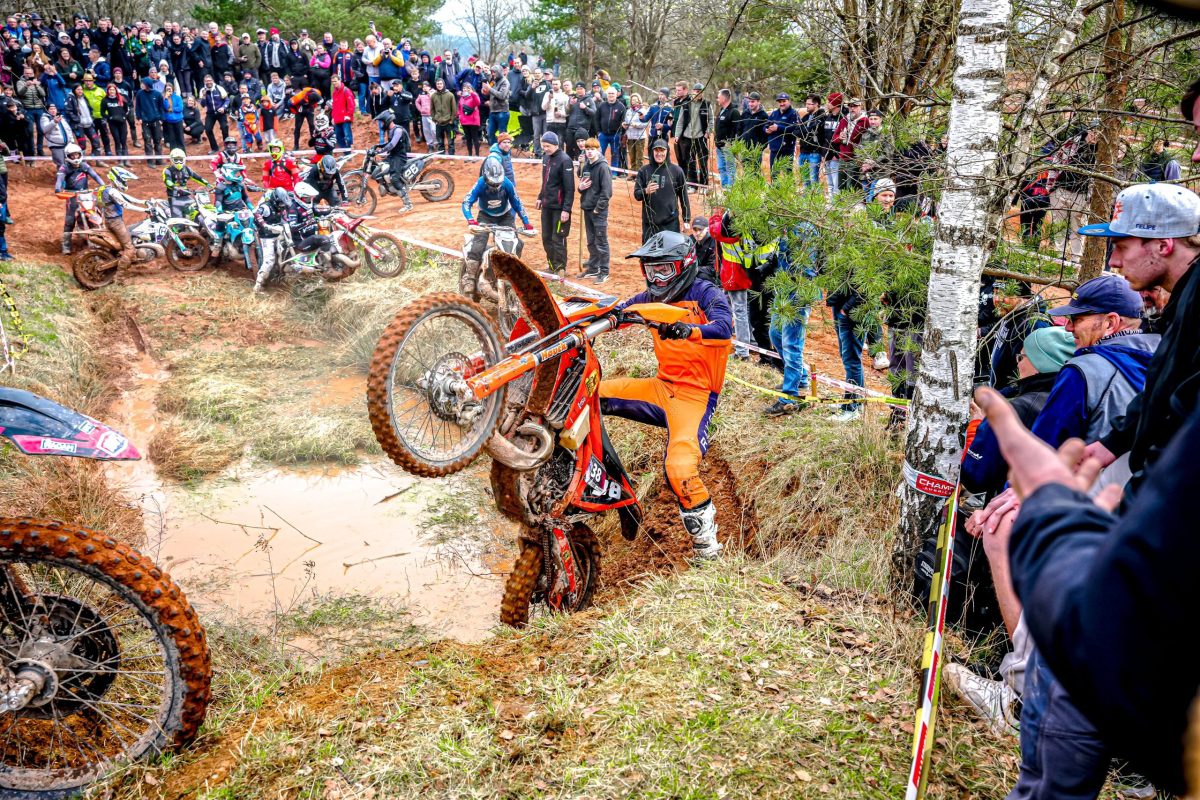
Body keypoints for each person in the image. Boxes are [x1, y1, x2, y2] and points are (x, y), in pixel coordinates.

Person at [944, 326, 1076, 735]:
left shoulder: (1015, 406)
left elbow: (975, 472)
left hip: (1009, 518)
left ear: (1036, 362)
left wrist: (976, 429)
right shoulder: (1073, 400)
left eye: (1023, 356)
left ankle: (1008, 671)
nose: (1018, 362)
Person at [599, 230, 734, 559]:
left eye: (664, 269)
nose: (657, 278)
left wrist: (691, 330)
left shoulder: (706, 292)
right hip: (661, 388)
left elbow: (724, 328)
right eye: (651, 270)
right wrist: (601, 318)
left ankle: (708, 549)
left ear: (684, 265)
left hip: (694, 397)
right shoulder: (649, 297)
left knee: (679, 468)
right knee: (589, 393)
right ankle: (582, 473)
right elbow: (621, 312)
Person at [1077, 179, 1200, 505]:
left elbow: (1186, 420)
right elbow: (1163, 389)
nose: (1113, 262)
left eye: (1121, 247)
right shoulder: (1184, 298)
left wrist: (1138, 505)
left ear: (1163, 245)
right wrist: (1110, 443)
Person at [1029, 274, 1159, 450]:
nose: (1068, 327)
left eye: (1076, 319)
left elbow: (1044, 447)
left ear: (1110, 323)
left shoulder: (1082, 371)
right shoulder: (1167, 361)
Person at [763, 223, 822, 416]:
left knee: (792, 345)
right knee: (775, 334)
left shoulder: (804, 229)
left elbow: (807, 269)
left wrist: (795, 289)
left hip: (798, 292)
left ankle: (789, 398)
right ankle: (801, 378)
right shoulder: (784, 224)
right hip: (783, 289)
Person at [461, 156, 534, 299]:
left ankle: (512, 274)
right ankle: (470, 278)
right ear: (485, 177)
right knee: (478, 244)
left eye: (498, 183)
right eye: (492, 183)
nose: (495, 186)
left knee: (516, 244)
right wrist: (470, 219)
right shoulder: (480, 183)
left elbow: (517, 203)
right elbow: (466, 202)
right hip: (485, 216)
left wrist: (526, 222)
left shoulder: (507, 184)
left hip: (505, 216)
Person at [633, 140, 689, 242]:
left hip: (670, 224)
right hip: (650, 224)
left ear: (667, 151)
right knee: (649, 252)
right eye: (656, 150)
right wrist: (646, 191)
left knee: (670, 251)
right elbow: (637, 194)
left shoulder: (677, 171)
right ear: (652, 152)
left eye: (662, 150)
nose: (659, 154)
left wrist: (686, 219)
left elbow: (684, 197)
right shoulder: (644, 171)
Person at [96, 165, 148, 270]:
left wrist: (143, 202)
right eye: (123, 181)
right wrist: (145, 210)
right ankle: (119, 275)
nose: (125, 183)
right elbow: (125, 204)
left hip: (110, 220)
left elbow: (126, 197)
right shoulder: (112, 191)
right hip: (116, 222)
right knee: (130, 249)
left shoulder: (106, 189)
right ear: (116, 179)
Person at [54, 142, 103, 254]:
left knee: (93, 215)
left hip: (86, 194)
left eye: (77, 155)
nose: (75, 157)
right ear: (68, 156)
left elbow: (95, 175)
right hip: (72, 196)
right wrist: (57, 189)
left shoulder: (84, 165)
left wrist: (103, 185)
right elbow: (59, 179)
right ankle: (66, 245)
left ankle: (97, 239)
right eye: (72, 156)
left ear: (80, 154)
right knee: (70, 220)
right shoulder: (64, 167)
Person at [536, 131, 573, 274]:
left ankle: (560, 268)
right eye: (543, 146)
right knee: (546, 237)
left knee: (558, 238)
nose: (545, 149)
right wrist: (540, 197)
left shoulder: (565, 160)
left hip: (559, 207)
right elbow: (545, 181)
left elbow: (569, 188)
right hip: (546, 206)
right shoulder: (545, 158)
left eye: (548, 146)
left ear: (556, 145)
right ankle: (552, 266)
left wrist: (566, 209)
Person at [578, 138, 613, 284]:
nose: (589, 152)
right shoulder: (586, 166)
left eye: (592, 149)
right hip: (587, 208)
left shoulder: (603, 167)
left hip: (598, 211)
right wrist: (580, 188)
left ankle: (604, 271)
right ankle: (593, 267)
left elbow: (607, 192)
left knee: (601, 241)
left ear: (598, 150)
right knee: (591, 241)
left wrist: (598, 208)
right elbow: (582, 187)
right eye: (587, 149)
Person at [251, 186, 290, 292]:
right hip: (266, 236)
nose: (282, 205)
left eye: (283, 203)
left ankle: (280, 276)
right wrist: (265, 225)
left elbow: (286, 218)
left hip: (279, 233)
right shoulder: (266, 207)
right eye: (280, 203)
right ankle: (258, 285)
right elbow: (256, 214)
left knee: (285, 251)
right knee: (269, 260)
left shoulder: (282, 207)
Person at [376, 109, 413, 211]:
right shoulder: (390, 130)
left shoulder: (398, 130)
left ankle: (408, 204)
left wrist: (381, 151)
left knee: (394, 178)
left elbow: (392, 144)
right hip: (392, 156)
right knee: (381, 168)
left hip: (399, 157)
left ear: (387, 121)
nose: (381, 124)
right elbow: (389, 143)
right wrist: (377, 146)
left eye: (382, 122)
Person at [675, 83, 710, 186]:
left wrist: (708, 132)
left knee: (703, 161)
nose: (698, 93)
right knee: (690, 162)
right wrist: (677, 135)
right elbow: (680, 121)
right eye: (696, 91)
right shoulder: (686, 104)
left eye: (700, 91)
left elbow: (711, 120)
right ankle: (692, 185)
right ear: (692, 91)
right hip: (687, 137)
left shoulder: (707, 104)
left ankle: (704, 184)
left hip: (701, 137)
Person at [162, 148, 209, 217]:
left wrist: (207, 184)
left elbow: (197, 177)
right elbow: (167, 181)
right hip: (174, 197)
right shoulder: (167, 170)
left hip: (186, 195)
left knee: (196, 212)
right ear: (172, 160)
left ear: (184, 159)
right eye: (176, 160)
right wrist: (174, 187)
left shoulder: (187, 169)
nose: (178, 162)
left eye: (180, 160)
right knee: (177, 220)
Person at [765, 93, 799, 175]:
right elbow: (766, 125)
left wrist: (778, 128)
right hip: (774, 149)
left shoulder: (793, 113)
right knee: (774, 174)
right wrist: (766, 130)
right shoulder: (774, 113)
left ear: (789, 101)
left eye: (784, 101)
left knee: (787, 174)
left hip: (787, 149)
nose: (782, 104)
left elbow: (794, 129)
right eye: (780, 102)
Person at [713, 89, 740, 188]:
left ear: (724, 98)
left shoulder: (734, 112)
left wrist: (730, 143)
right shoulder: (721, 111)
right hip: (719, 146)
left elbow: (737, 130)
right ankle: (725, 187)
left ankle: (731, 189)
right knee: (721, 167)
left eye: (718, 97)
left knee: (730, 167)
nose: (717, 99)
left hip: (728, 146)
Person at [595, 86, 625, 169]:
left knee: (615, 154)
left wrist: (621, 133)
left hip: (615, 135)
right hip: (603, 135)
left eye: (612, 93)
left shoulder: (621, 107)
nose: (611, 95)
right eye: (609, 93)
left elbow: (624, 121)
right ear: (607, 95)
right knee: (599, 153)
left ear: (616, 95)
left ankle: (613, 172)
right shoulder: (601, 105)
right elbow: (596, 119)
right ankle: (599, 169)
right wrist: (598, 132)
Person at [199, 73, 229, 152]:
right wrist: (204, 96)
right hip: (210, 113)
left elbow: (227, 100)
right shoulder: (202, 90)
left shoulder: (219, 88)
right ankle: (214, 148)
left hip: (221, 112)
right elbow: (202, 105)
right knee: (208, 129)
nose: (208, 82)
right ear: (204, 82)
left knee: (224, 128)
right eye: (206, 81)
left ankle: (227, 147)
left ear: (212, 80)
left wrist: (223, 107)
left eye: (210, 80)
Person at [430, 77, 456, 154]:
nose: (439, 85)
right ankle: (442, 156)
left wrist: (452, 120)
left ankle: (451, 156)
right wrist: (434, 119)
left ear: (443, 84)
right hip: (438, 123)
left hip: (449, 123)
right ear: (436, 85)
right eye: (438, 84)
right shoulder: (433, 96)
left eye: (440, 84)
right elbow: (432, 108)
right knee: (440, 142)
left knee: (451, 142)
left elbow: (454, 109)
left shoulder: (450, 95)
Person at [329, 74, 355, 149]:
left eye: (335, 81)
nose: (334, 83)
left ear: (340, 80)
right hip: (337, 118)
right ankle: (346, 152)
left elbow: (351, 104)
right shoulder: (334, 92)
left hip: (345, 118)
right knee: (338, 137)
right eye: (332, 82)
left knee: (347, 137)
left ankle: (349, 150)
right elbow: (334, 106)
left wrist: (348, 115)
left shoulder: (346, 91)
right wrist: (333, 117)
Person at [690, 215, 717, 286]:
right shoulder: (689, 240)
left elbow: (712, 269)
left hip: (709, 276)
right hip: (694, 271)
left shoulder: (713, 242)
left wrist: (694, 269)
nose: (697, 233)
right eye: (695, 230)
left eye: (700, 230)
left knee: (701, 276)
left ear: (707, 229)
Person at [458, 81, 482, 156]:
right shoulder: (461, 98)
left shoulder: (474, 96)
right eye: (464, 88)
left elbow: (478, 102)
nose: (465, 89)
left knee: (475, 138)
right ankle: (470, 155)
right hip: (464, 121)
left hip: (473, 121)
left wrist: (472, 93)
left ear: (471, 88)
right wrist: (459, 116)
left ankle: (477, 155)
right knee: (468, 139)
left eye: (468, 88)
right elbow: (459, 109)